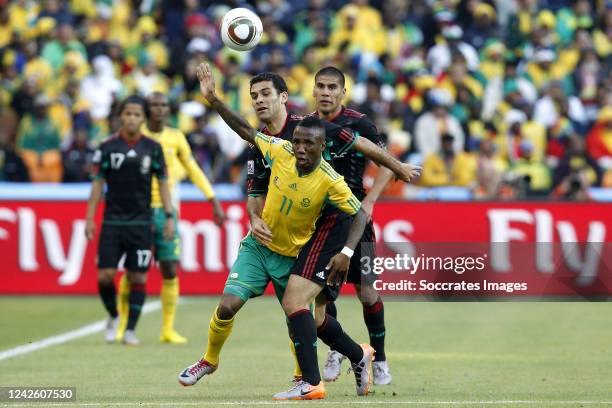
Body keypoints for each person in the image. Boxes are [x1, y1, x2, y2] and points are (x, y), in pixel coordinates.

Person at [177, 64, 402, 400]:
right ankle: (215, 361)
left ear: (284, 97)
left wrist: (397, 168)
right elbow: (253, 184)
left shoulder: (317, 138)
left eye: (266, 93)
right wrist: (254, 217)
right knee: (235, 305)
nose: (259, 101)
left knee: (330, 308)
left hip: (313, 238)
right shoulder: (273, 146)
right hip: (263, 244)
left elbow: (362, 148)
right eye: (254, 96)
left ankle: (358, 358)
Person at [245, 70, 416, 385]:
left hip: (356, 217)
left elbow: (382, 160)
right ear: (312, 91)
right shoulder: (304, 126)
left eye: (332, 87)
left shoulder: (359, 123)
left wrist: (370, 202)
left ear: (342, 92)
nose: (325, 92)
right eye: (320, 87)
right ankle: (338, 351)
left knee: (367, 293)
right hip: (320, 221)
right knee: (320, 297)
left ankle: (379, 357)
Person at [115, 92, 226, 344]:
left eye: (163, 104)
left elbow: (193, 168)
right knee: (134, 269)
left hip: (167, 212)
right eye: (154, 105)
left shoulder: (176, 137)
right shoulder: (135, 136)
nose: (159, 109)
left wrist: (213, 199)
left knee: (169, 267)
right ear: (146, 109)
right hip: (137, 211)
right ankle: (123, 324)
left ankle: (167, 329)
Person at [85, 95, 174, 346]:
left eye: (137, 114)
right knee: (105, 276)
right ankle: (114, 315)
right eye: (128, 114)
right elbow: (97, 184)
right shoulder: (107, 146)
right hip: (112, 222)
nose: (132, 118)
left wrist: (168, 216)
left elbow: (164, 184)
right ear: (120, 116)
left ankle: (131, 330)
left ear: (143, 118)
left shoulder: (152, 148)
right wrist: (90, 217)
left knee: (139, 277)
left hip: (141, 223)